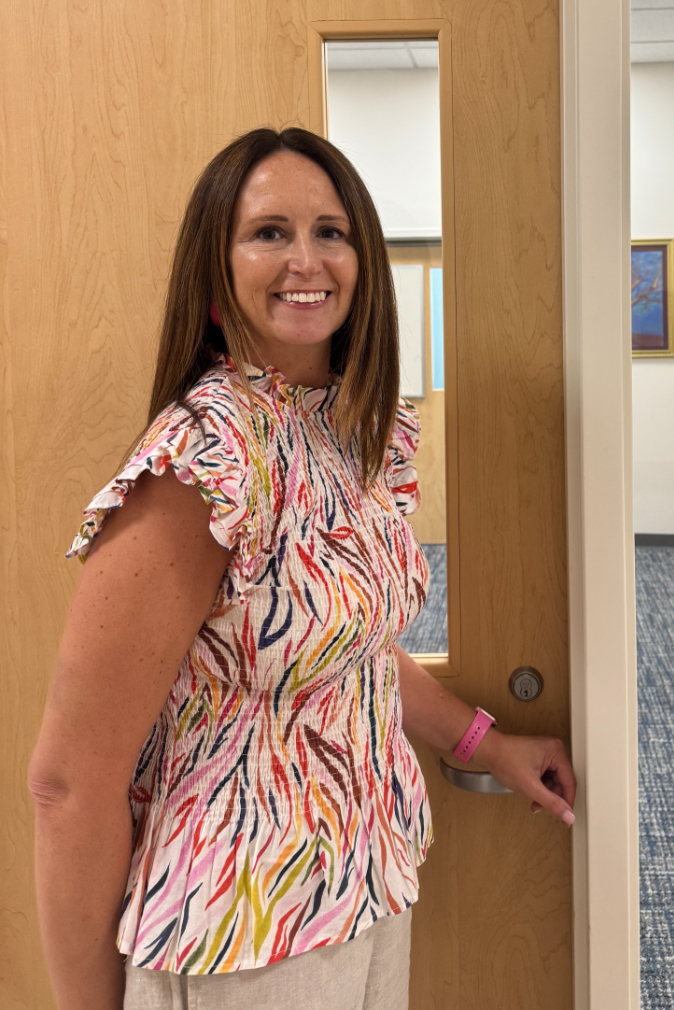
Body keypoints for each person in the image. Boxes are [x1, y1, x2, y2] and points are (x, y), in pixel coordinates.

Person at [28, 127, 576, 1010]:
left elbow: (337, 651)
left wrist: (484, 744)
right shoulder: (203, 460)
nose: (305, 259)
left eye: (331, 231)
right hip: (240, 936)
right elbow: (68, 784)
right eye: (269, 232)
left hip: (363, 892)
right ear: (216, 268)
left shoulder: (351, 431)